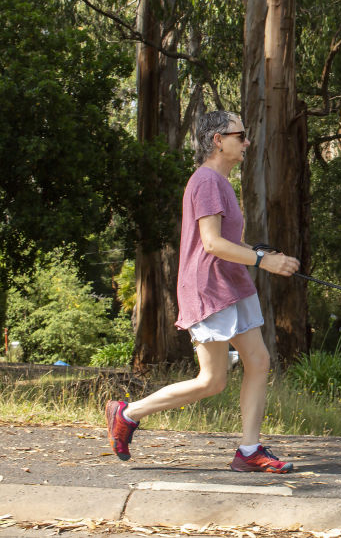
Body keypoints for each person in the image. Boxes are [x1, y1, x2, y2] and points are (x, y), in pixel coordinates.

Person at [105, 110, 300, 473]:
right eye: (240, 135)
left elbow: (225, 241)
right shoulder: (207, 181)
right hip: (209, 287)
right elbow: (210, 243)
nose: (246, 142)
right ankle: (127, 414)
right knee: (211, 381)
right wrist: (263, 261)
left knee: (258, 361)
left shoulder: (221, 183)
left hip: (232, 283)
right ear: (217, 140)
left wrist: (258, 254)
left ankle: (249, 451)